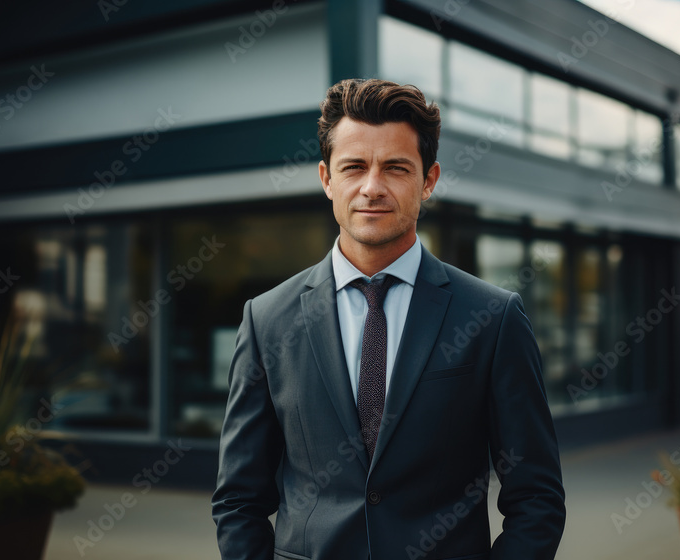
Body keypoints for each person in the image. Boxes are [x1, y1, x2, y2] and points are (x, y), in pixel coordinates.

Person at [212, 78, 566, 560]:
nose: (372, 187)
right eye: (354, 167)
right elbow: (238, 499)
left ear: (428, 180)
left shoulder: (492, 317)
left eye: (395, 168)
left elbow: (536, 497)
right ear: (326, 179)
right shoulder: (266, 319)